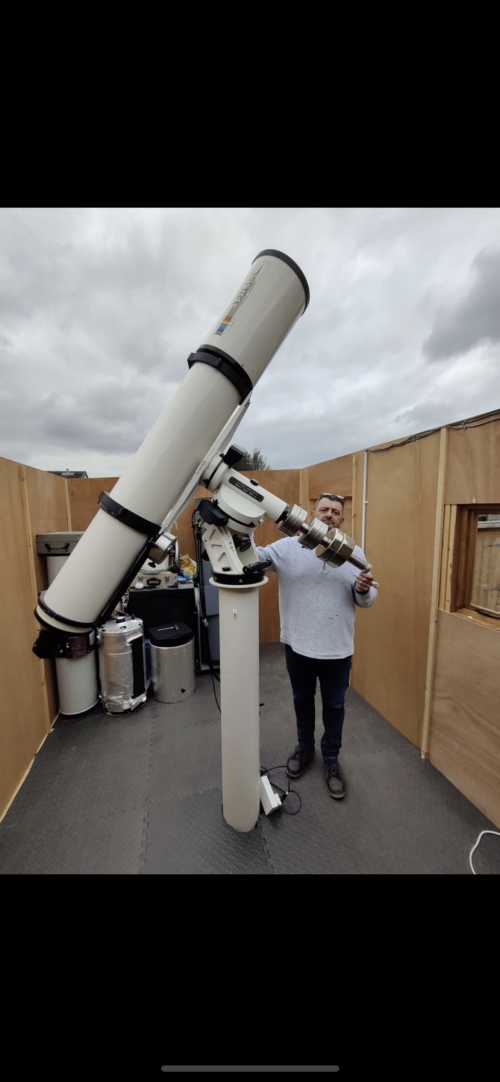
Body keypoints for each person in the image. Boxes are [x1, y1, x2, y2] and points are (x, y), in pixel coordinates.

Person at [256, 494, 377, 799]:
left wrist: (363, 590)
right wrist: (243, 529)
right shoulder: (288, 547)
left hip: (338, 650)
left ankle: (331, 758)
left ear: (342, 520)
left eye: (335, 512)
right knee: (302, 700)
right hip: (298, 646)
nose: (329, 515)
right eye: (324, 509)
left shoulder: (354, 553)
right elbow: (256, 558)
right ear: (313, 513)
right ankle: (305, 748)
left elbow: (368, 599)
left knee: (335, 706)